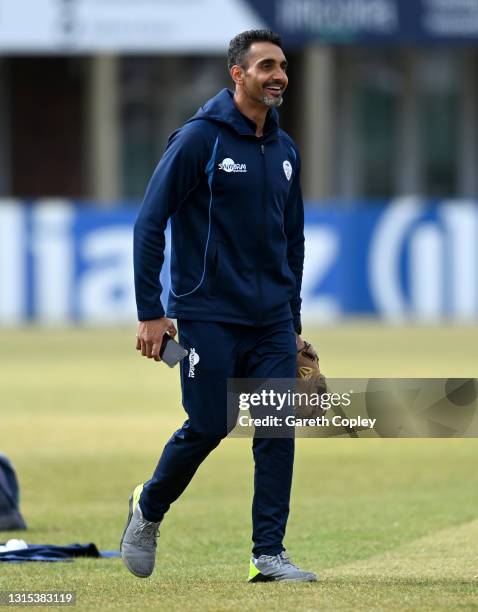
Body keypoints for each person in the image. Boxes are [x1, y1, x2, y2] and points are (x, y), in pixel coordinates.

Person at [121, 29, 317, 583]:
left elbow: (292, 240)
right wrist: (151, 311)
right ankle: (148, 507)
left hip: (272, 321)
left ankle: (269, 554)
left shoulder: (284, 150)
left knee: (277, 427)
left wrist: (294, 322)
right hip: (205, 316)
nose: (278, 75)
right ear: (238, 74)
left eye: (282, 66)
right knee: (209, 424)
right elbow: (149, 224)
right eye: (265, 66)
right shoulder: (198, 139)